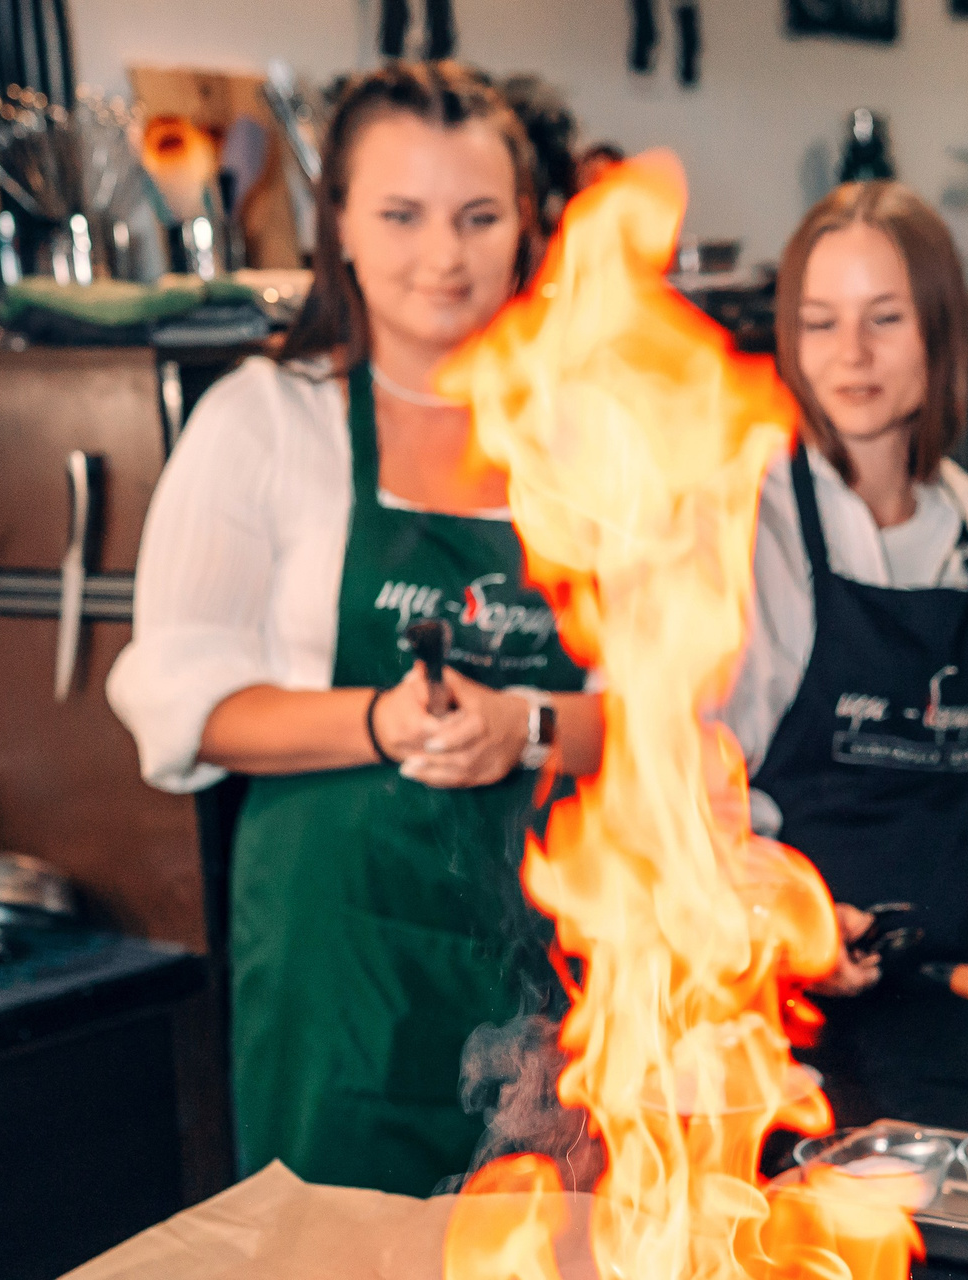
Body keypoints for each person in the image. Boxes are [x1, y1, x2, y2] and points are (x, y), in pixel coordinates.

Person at [109, 64, 602, 1194]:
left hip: (555, 964)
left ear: (526, 225)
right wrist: (381, 721)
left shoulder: (588, 442)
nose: (444, 255)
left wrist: (524, 725)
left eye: (478, 217)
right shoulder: (266, 423)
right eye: (401, 215)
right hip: (337, 971)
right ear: (338, 223)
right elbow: (182, 704)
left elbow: (672, 720)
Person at [717, 181, 968, 994]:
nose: (852, 353)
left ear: (940, 332)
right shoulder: (743, 522)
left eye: (885, 318)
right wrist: (778, 915)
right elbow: (687, 791)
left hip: (951, 977)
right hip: (770, 991)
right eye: (820, 322)